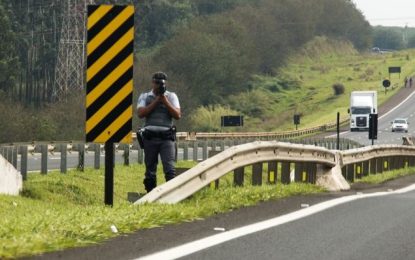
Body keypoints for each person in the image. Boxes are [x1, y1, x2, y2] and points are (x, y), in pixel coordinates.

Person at [137, 72, 181, 193]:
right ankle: (151, 195)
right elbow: (141, 113)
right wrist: (156, 101)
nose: (159, 86)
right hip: (150, 137)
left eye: (161, 83)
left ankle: (171, 195)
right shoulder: (145, 96)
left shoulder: (171, 96)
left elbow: (177, 115)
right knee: (150, 170)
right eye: (157, 83)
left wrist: (165, 101)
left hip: (166, 138)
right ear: (152, 83)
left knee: (170, 168)